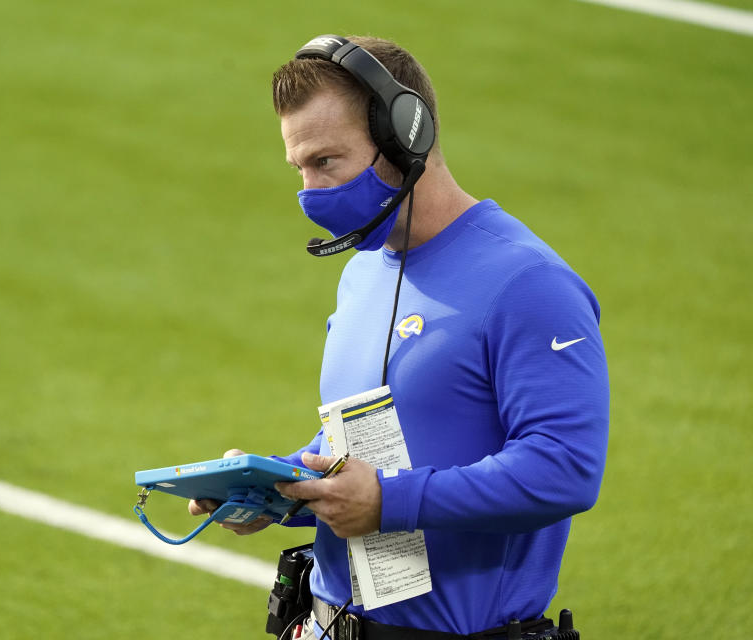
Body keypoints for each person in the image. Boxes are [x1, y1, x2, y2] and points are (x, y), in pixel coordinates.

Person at [190, 34, 609, 639]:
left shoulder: (528, 283)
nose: (310, 193)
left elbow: (565, 467)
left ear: (405, 135)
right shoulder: (363, 273)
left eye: (326, 162)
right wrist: (273, 487)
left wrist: (390, 502)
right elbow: (369, 442)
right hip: (323, 624)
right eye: (299, 168)